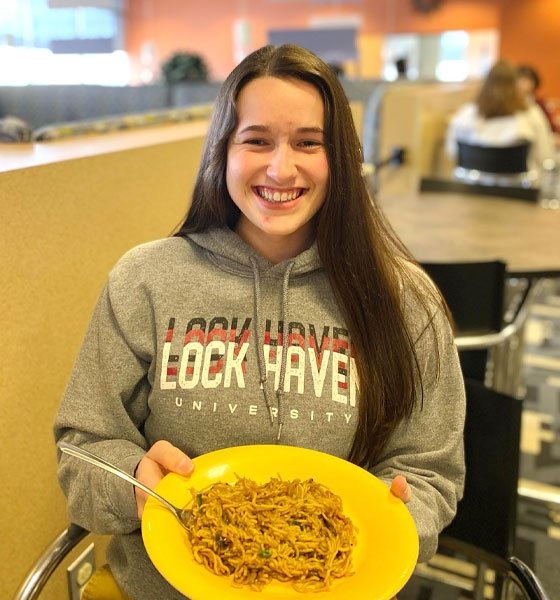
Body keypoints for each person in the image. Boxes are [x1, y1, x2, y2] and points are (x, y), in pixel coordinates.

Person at [54, 44, 466, 600]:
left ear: (339, 158)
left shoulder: (403, 298)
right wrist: (135, 483)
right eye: (256, 140)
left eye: (308, 143)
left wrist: (395, 518)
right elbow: (82, 446)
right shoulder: (145, 279)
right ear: (222, 151)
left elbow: (432, 469)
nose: (280, 168)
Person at [445, 59, 555, 173]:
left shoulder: (466, 114)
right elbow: (545, 155)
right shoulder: (531, 114)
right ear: (515, 84)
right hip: (518, 187)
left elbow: (453, 152)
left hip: (473, 186)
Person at [517, 63, 560, 146]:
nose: (523, 84)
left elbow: (551, 124)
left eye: (528, 80)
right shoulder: (510, 103)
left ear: (534, 83)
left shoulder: (540, 103)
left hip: (545, 141)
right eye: (521, 79)